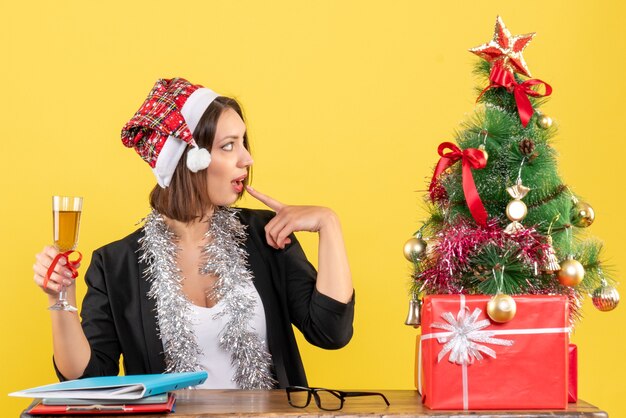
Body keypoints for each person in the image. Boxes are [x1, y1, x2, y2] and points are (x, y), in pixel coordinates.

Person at [33, 77, 355, 389]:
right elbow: (88, 379)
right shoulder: (116, 264)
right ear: (190, 159)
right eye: (228, 146)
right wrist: (60, 298)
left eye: (243, 142)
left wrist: (329, 223)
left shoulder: (266, 234)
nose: (247, 158)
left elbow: (330, 332)